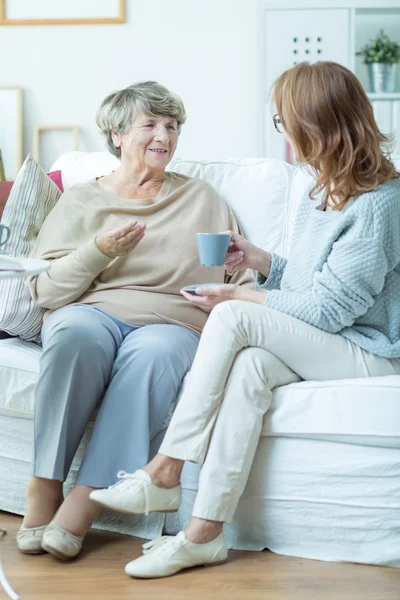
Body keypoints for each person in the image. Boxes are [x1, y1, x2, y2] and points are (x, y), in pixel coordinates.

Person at [90, 61, 400, 579]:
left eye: (284, 120)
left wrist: (244, 300)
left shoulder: (381, 202)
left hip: (371, 351)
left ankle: (164, 470)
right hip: (329, 340)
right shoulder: (317, 189)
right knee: (251, 366)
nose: (280, 132)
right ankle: (203, 535)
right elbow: (307, 286)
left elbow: (331, 308)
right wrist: (262, 263)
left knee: (234, 313)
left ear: (317, 121)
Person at [16, 81, 253, 560]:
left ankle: (80, 508)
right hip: (92, 310)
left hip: (174, 320)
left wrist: (231, 293)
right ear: (117, 135)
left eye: (172, 126)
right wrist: (98, 251)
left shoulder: (202, 198)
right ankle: (43, 490)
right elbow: (46, 289)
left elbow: (243, 272)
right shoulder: (82, 201)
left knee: (155, 355)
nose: (164, 134)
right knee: (73, 339)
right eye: (151, 124)